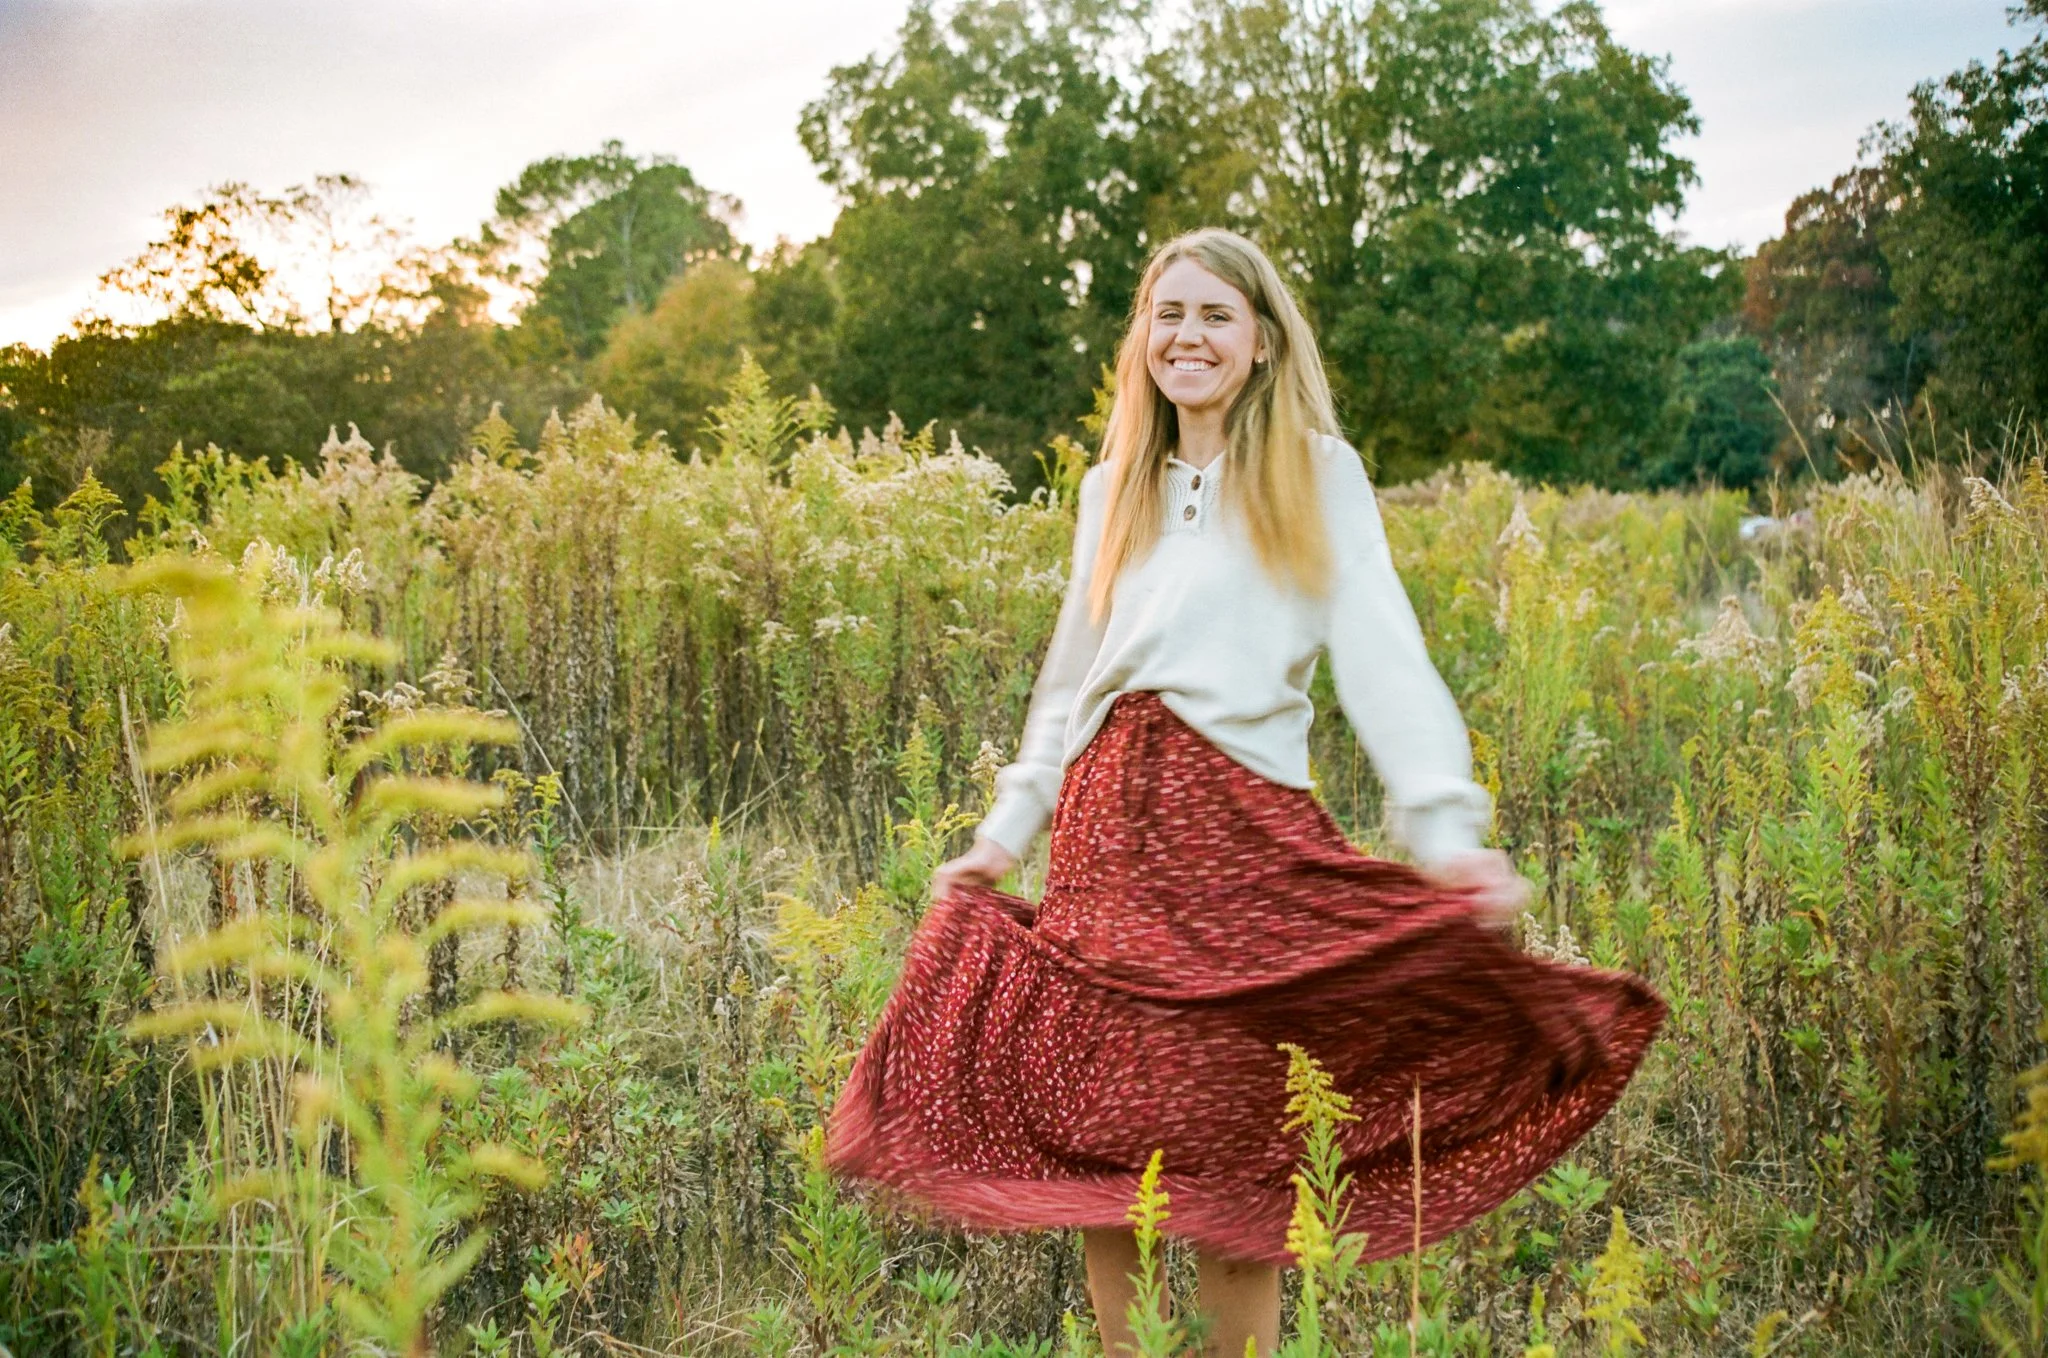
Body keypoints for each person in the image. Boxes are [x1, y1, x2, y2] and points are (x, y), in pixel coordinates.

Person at [826, 228, 1664, 1357]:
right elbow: (1070, 677)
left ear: (1261, 341)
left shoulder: (1315, 472)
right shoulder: (1110, 487)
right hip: (1107, 836)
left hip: (1238, 837)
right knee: (1106, 1135)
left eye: (1215, 315)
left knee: (1232, 1142)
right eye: (1167, 314)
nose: (1188, 336)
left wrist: (1441, 819)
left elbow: (1381, 647)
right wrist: (1005, 829)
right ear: (1142, 338)